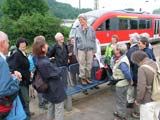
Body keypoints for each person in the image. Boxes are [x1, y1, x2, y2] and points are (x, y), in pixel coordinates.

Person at [32, 35, 66, 120]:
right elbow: (57, 73)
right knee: (59, 110)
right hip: (55, 89)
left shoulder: (39, 59)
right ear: (43, 48)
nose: (47, 45)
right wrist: (58, 69)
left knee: (51, 108)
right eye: (45, 44)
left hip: (49, 90)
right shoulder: (44, 62)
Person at [0, 31, 22, 119]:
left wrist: (8, 76)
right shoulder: (2, 61)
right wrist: (16, 80)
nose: (9, 45)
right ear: (3, 43)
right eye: (8, 42)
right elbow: (3, 91)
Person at [131, 50, 157, 118]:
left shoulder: (142, 69)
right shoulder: (154, 63)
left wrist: (138, 100)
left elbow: (141, 87)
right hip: (157, 95)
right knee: (155, 116)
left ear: (137, 60)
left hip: (148, 99)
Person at [10, 38, 31, 120]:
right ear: (18, 45)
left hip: (26, 80)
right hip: (21, 81)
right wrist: (25, 73)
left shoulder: (23, 53)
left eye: (24, 44)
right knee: (25, 100)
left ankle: (27, 113)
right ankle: (27, 116)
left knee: (26, 99)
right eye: (22, 44)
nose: (23, 45)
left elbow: (25, 66)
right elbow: (15, 68)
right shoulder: (16, 54)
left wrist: (29, 72)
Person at [74, 14, 97, 85]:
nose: (80, 21)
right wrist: (75, 51)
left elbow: (94, 40)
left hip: (90, 50)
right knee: (82, 65)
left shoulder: (91, 29)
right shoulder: (77, 29)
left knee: (89, 64)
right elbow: (75, 41)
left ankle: (88, 77)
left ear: (85, 20)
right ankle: (83, 79)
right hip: (81, 50)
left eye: (82, 20)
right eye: (79, 20)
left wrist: (94, 49)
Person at [112, 43, 133, 120]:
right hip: (124, 83)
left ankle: (121, 115)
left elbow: (126, 72)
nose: (114, 50)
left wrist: (130, 80)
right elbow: (129, 70)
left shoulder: (122, 61)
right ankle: (121, 113)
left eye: (116, 49)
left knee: (120, 100)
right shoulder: (124, 57)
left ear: (119, 51)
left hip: (121, 84)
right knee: (123, 99)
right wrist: (130, 80)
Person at [126, 33, 139, 108]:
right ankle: (133, 100)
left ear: (132, 40)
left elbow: (128, 63)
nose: (129, 39)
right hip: (136, 72)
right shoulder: (138, 48)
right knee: (134, 88)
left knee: (131, 88)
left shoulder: (131, 50)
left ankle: (130, 102)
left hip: (132, 73)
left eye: (130, 38)